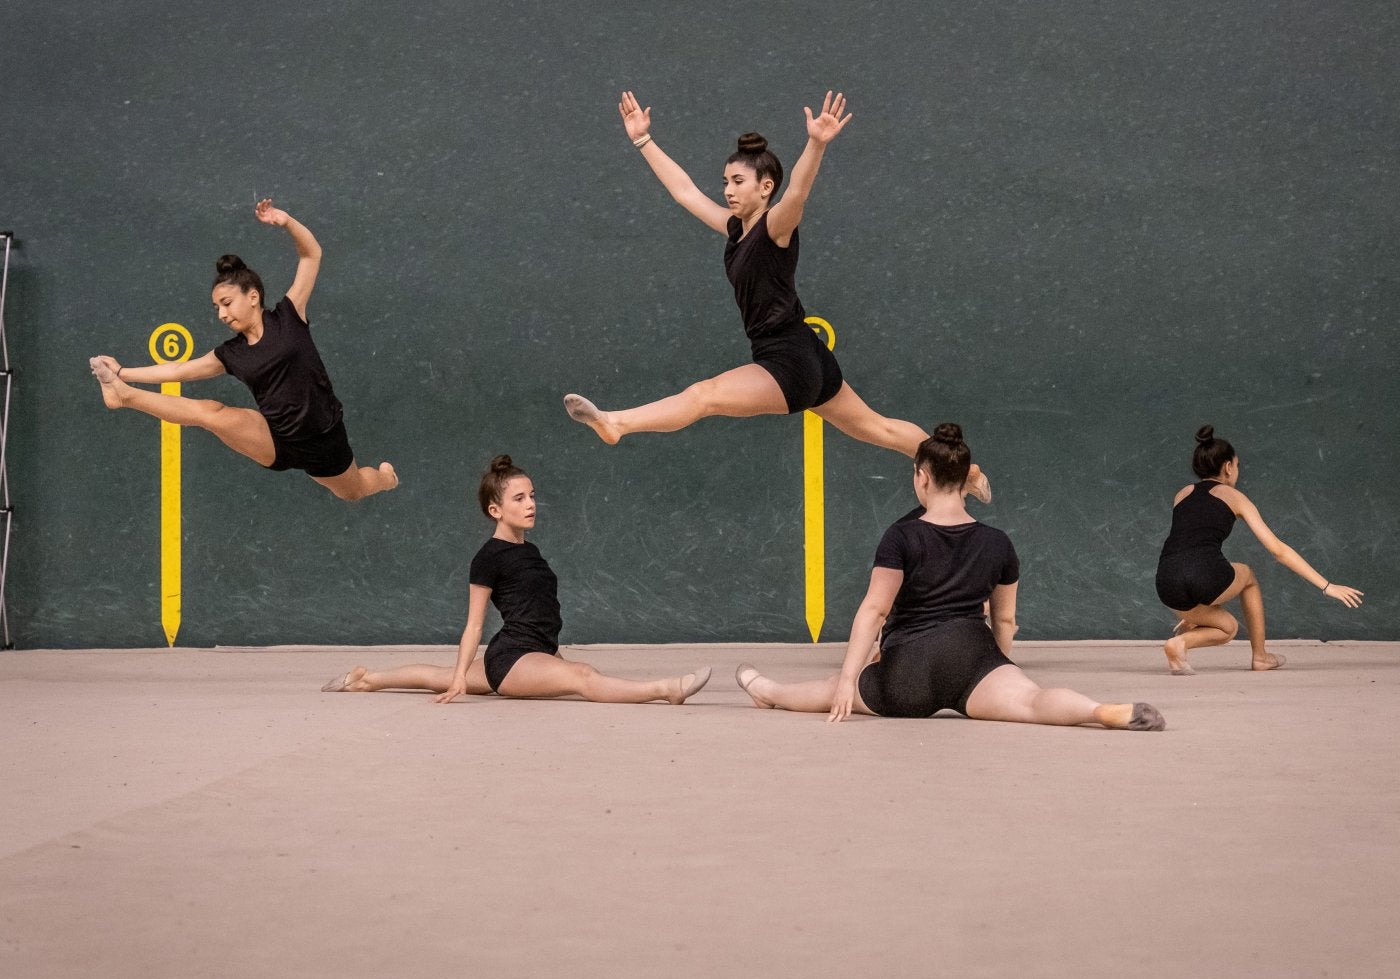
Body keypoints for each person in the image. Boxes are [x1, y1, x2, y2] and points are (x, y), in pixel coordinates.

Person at [564, 90, 991, 503]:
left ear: (765, 186)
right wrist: (643, 140)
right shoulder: (735, 228)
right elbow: (685, 192)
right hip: (808, 354)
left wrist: (816, 143)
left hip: (787, 360)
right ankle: (966, 471)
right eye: (725, 181)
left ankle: (617, 423)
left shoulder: (776, 227)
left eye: (738, 181)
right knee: (881, 429)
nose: (728, 190)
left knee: (703, 396)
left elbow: (798, 193)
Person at [735, 424, 1164, 730]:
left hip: (908, 673)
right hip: (972, 658)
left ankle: (767, 690)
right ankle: (1098, 711)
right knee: (1033, 701)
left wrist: (847, 681)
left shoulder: (902, 536)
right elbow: (1005, 620)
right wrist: (996, 666)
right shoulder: (998, 542)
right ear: (964, 482)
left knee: (830, 687)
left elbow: (875, 610)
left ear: (921, 477)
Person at [322, 455, 712, 705]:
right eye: (519, 499)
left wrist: (456, 677)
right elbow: (474, 625)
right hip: (511, 658)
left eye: (532, 496)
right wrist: (459, 680)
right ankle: (666, 690)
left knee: (438, 676)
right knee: (583, 676)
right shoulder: (488, 557)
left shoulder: (530, 550)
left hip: (535, 649)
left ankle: (366, 680)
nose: (530, 504)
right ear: (496, 510)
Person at [88, 199, 397, 501]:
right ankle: (124, 395)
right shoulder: (230, 354)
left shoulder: (289, 316)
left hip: (325, 440)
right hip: (276, 440)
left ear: (252, 296)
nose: (222, 314)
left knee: (354, 491)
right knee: (212, 414)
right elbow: (177, 370)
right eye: (216, 308)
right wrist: (122, 373)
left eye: (226, 303)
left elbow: (311, 255)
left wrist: (286, 222)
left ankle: (385, 479)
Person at [1154, 425, 1363, 674]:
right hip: (1203, 575)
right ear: (1228, 467)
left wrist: (1192, 613)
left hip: (1166, 581)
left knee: (1228, 628)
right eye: (1237, 465)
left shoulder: (1182, 494)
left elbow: (1187, 544)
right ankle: (1260, 657)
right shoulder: (1234, 496)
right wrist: (1327, 586)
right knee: (1249, 577)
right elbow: (1278, 550)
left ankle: (1179, 644)